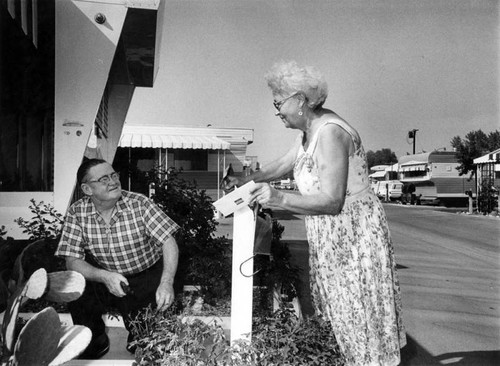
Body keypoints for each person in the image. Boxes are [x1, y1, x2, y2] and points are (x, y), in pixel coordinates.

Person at [224, 61, 406, 366]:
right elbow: (283, 164)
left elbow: (333, 201)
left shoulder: (331, 133)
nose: (277, 110)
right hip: (333, 236)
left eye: (279, 102)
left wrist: (279, 196)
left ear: (301, 99)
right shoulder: (309, 131)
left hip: (353, 236)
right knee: (339, 314)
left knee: (356, 314)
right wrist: (249, 180)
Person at [55, 159, 180, 359]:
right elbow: (72, 260)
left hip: (144, 277)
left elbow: (169, 242)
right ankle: (93, 340)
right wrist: (104, 276)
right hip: (105, 274)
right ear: (87, 189)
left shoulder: (139, 204)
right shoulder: (77, 212)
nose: (113, 182)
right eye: (104, 179)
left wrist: (166, 282)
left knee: (145, 345)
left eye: (114, 175)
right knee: (76, 283)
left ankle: (138, 337)